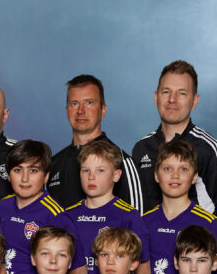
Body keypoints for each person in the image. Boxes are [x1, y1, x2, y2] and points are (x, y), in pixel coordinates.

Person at [132, 60, 217, 216]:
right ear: (156, 97)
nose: (172, 99)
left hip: (194, 232)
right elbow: (133, 207)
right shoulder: (141, 148)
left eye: (181, 93)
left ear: (194, 101)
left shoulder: (209, 149)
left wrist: (196, 233)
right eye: (166, 92)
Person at [135, 139, 217, 274]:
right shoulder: (143, 222)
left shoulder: (209, 223)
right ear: (156, 175)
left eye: (184, 169)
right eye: (167, 168)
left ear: (194, 177)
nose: (175, 175)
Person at [0, 140, 85, 274]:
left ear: (46, 176)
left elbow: (79, 271)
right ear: (8, 175)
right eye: (18, 170)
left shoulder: (55, 215)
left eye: (33, 170)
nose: (25, 178)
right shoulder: (1, 207)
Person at [46, 75, 144, 212]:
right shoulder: (53, 164)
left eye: (89, 103)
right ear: (67, 110)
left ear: (103, 110)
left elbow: (136, 218)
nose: (80, 111)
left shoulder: (121, 161)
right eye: (74, 103)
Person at [67, 139, 144, 274]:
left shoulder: (129, 216)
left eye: (100, 170)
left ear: (116, 175)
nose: (91, 177)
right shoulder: (68, 215)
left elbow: (143, 269)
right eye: (85, 170)